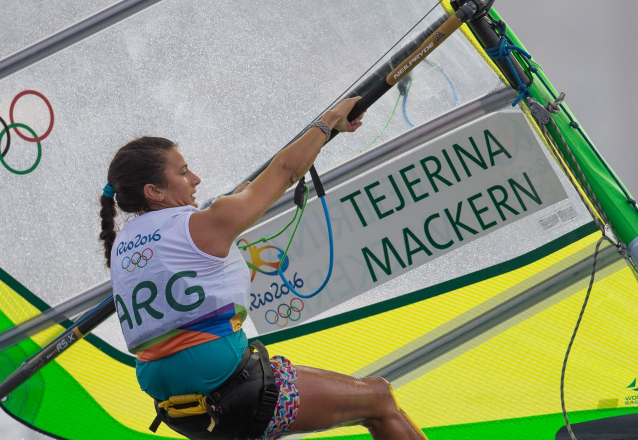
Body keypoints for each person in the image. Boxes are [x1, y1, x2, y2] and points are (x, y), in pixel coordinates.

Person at [99, 97, 426, 440]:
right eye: (182, 173)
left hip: (178, 410)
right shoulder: (204, 225)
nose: (195, 178)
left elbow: (229, 212)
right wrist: (329, 120)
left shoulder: (123, 244)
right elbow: (285, 171)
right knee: (379, 398)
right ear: (154, 192)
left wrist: (242, 198)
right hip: (235, 390)